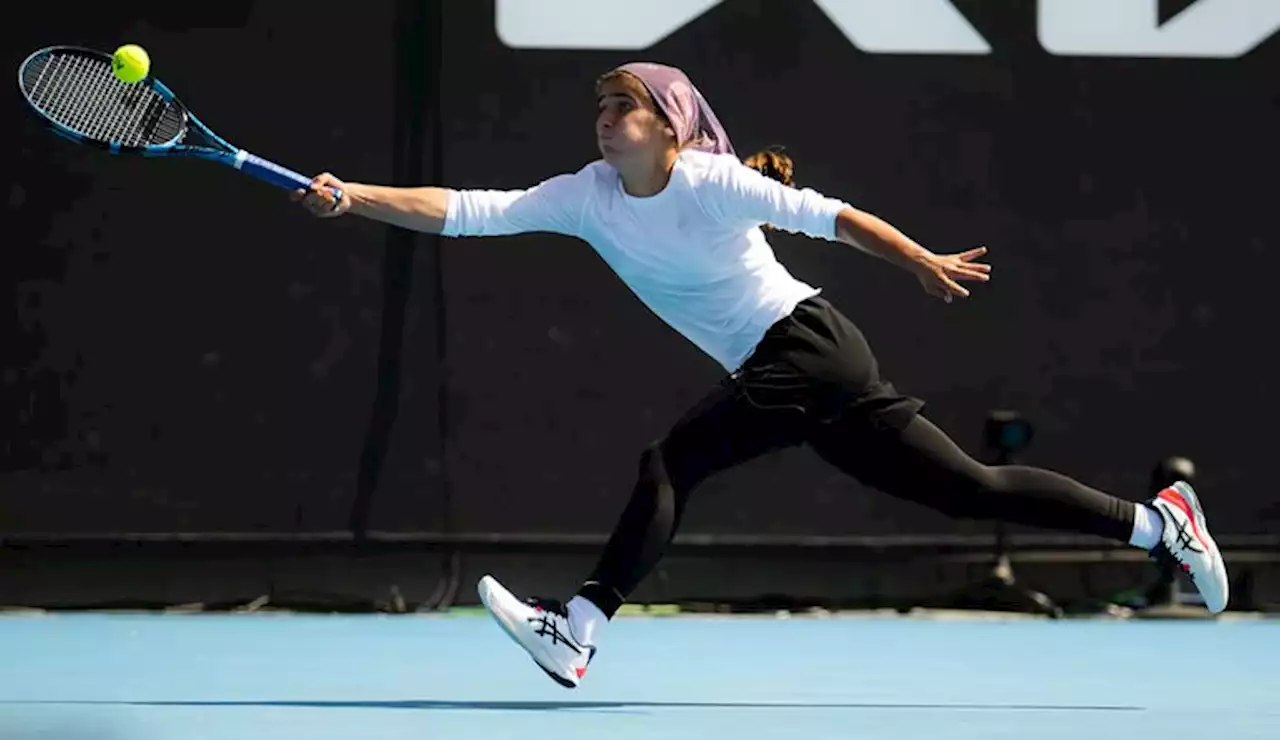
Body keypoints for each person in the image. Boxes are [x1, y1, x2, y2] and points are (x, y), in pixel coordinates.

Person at [294, 62, 1229, 688]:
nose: (605, 119)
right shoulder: (586, 196)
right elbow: (469, 210)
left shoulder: (712, 181)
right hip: (807, 361)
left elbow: (835, 215)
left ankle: (578, 626)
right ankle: (1157, 525)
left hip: (806, 344)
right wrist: (357, 195)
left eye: (624, 106)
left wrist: (918, 260)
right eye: (600, 108)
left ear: (670, 126)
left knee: (673, 463)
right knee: (965, 489)